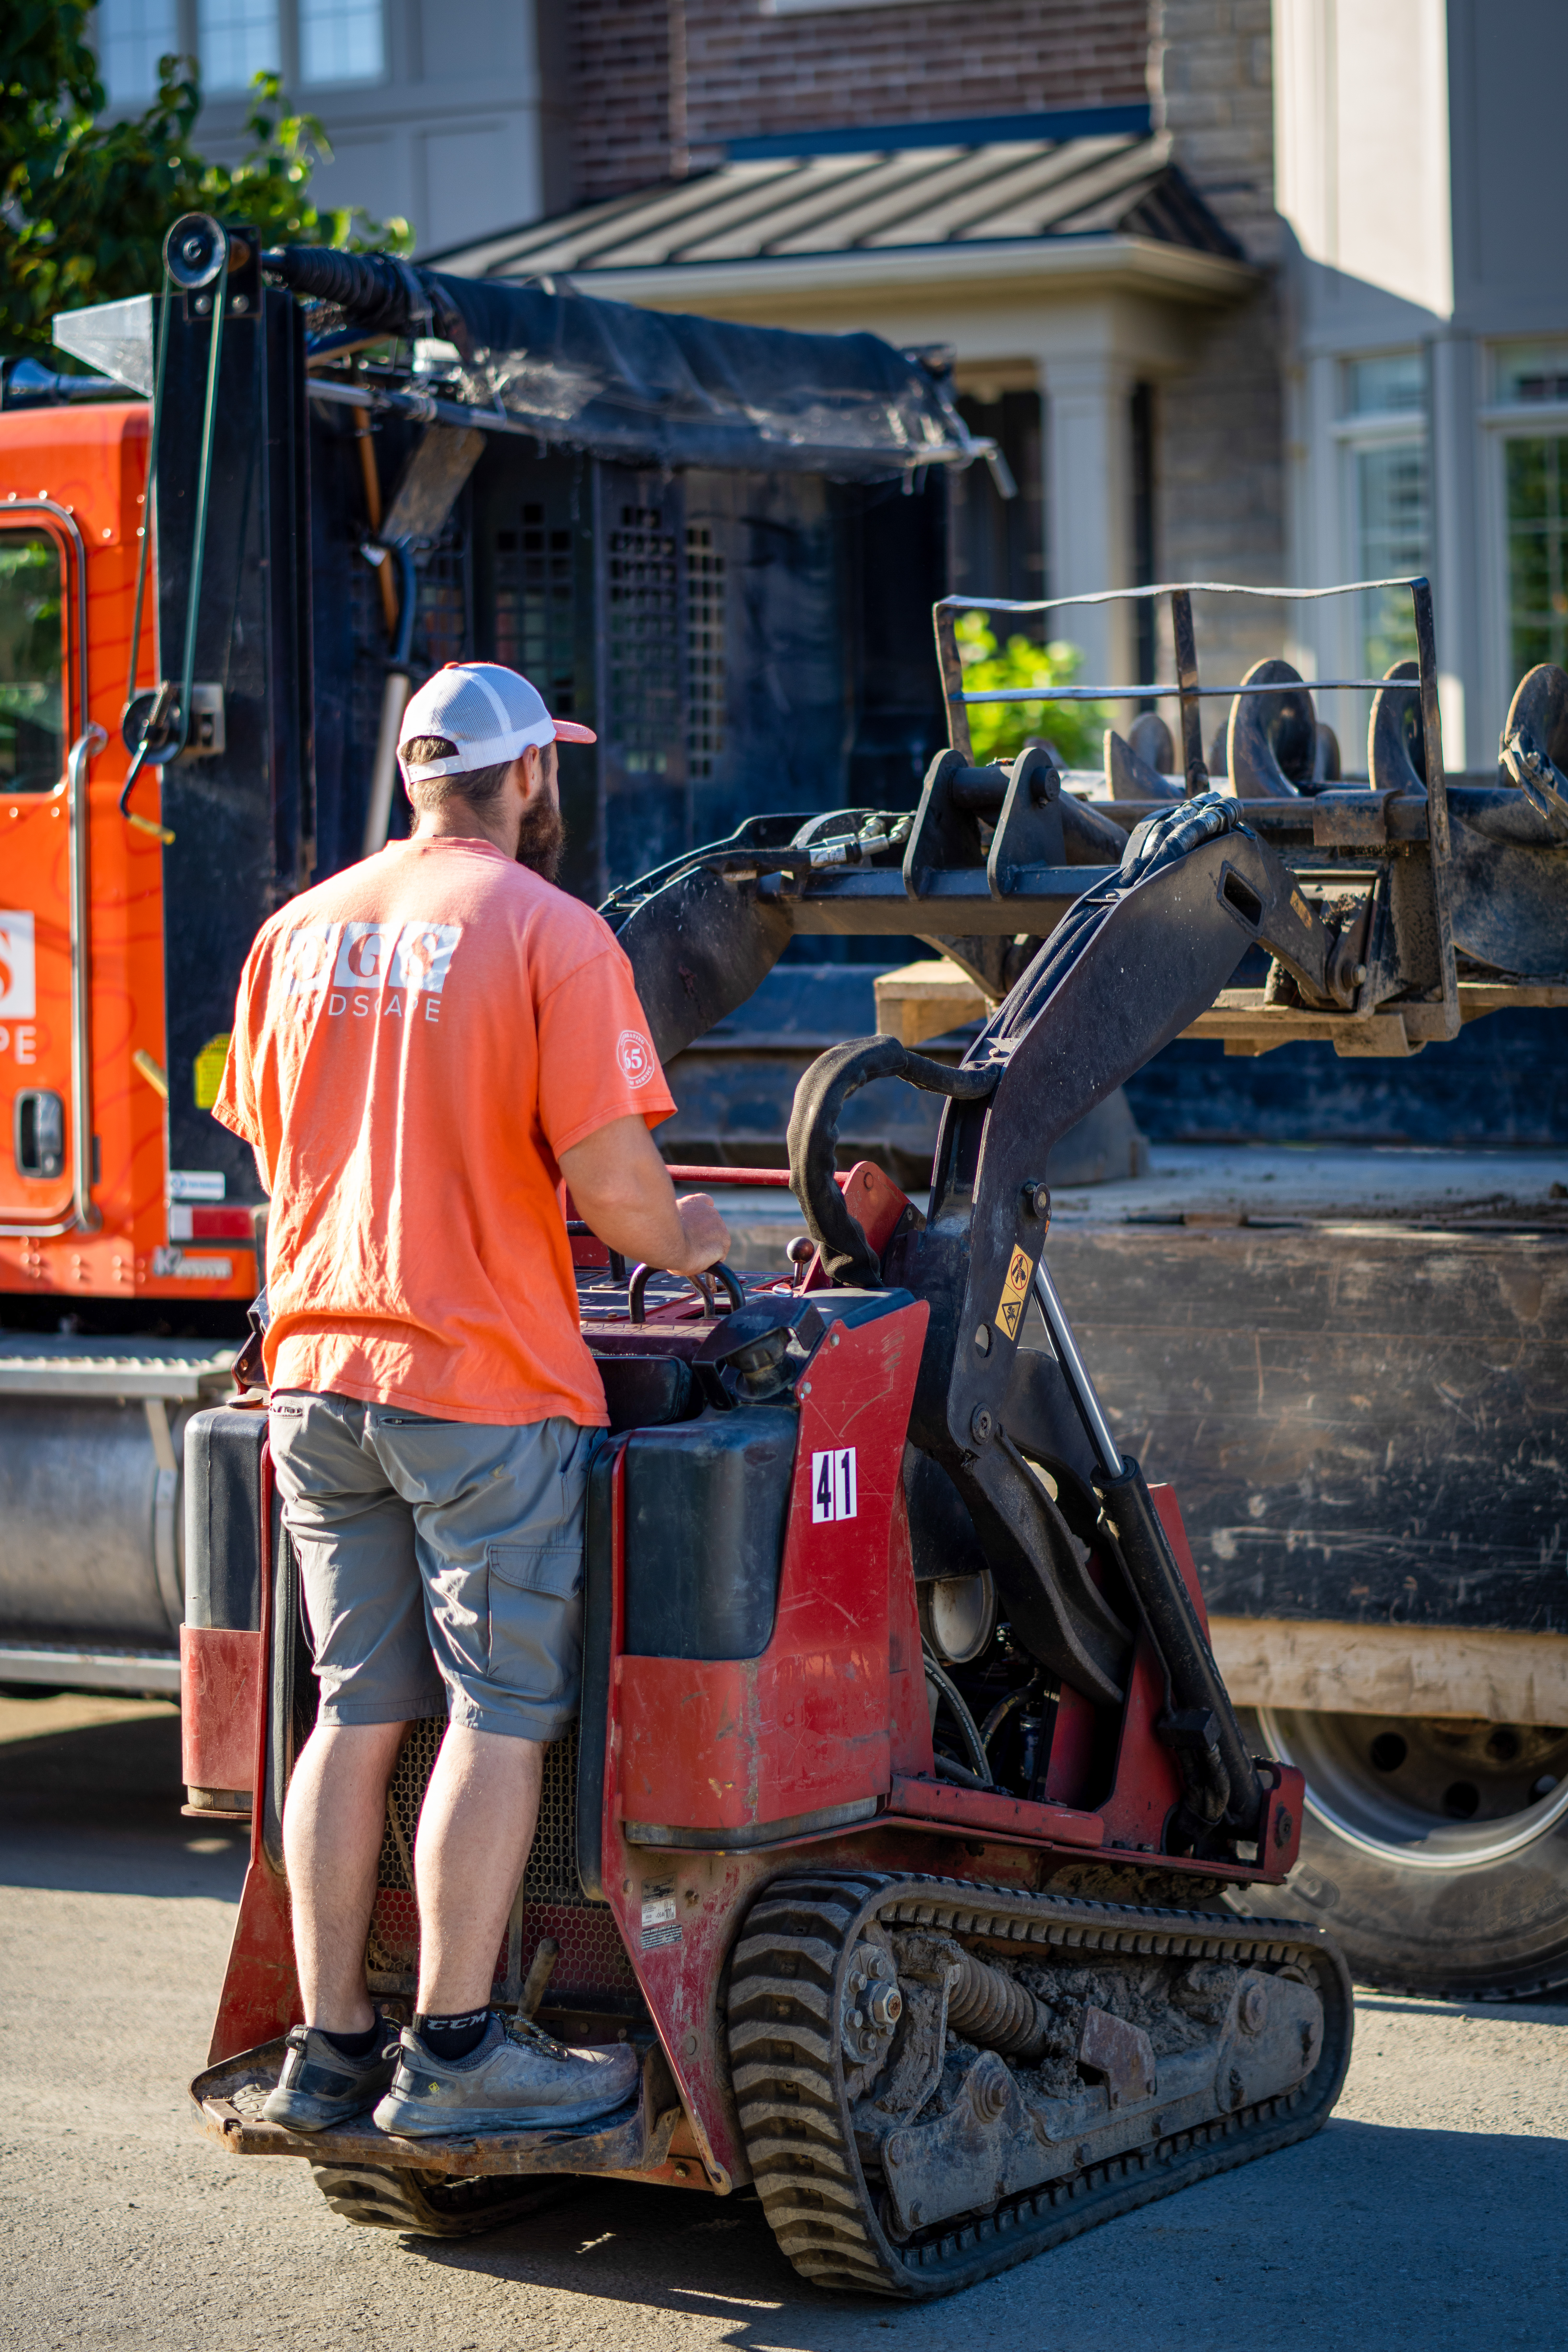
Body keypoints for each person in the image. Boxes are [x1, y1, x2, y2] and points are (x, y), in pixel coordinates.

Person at [213, 661, 730, 2138]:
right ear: (531, 780)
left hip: (315, 1371)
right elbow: (619, 1194)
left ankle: (328, 2051)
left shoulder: (294, 931)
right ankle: (454, 2050)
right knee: (501, 1714)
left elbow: (280, 1159)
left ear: (414, 778)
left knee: (354, 1705)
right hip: (482, 1386)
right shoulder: (551, 933)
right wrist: (699, 1239)